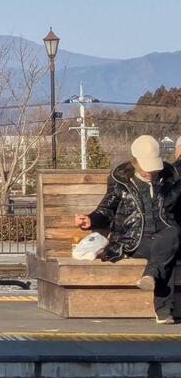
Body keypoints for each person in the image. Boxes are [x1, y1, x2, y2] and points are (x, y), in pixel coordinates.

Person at [75, 135, 181, 323]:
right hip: (135, 236)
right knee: (165, 251)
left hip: (164, 232)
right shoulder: (121, 180)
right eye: (146, 167)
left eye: (154, 167)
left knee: (171, 235)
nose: (151, 172)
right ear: (135, 162)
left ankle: (150, 275)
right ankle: (163, 309)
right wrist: (91, 219)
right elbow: (107, 208)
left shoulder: (170, 178)